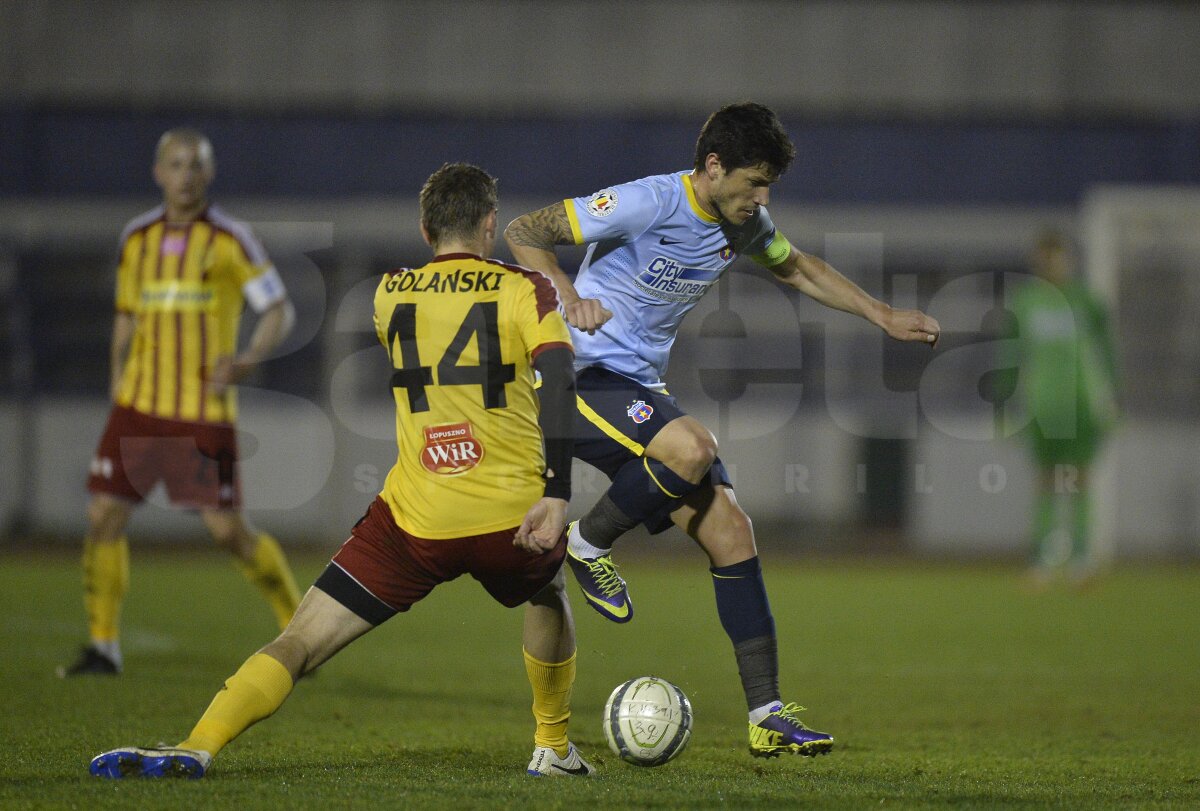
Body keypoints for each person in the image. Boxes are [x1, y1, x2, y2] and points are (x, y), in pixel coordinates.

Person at [89, 162, 593, 779]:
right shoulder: (524, 288)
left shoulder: (390, 294)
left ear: (424, 226)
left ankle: (198, 744)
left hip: (416, 520)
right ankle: (552, 746)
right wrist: (559, 494)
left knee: (299, 642)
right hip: (510, 516)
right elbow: (561, 378)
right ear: (490, 224)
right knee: (547, 592)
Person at [504, 102, 941, 758]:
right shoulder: (648, 201)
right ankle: (587, 543)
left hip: (638, 389)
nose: (761, 199)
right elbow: (524, 230)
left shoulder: (742, 223)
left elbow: (796, 266)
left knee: (732, 529)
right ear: (713, 167)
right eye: (753, 183)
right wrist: (566, 294)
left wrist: (882, 316)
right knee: (693, 447)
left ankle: (766, 712)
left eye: (768, 187)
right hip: (581, 374)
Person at [61, 128, 302, 677]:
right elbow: (127, 311)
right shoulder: (136, 238)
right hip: (139, 406)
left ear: (209, 174)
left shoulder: (230, 239)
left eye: (196, 165)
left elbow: (278, 310)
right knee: (103, 516)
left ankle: (298, 628)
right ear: (158, 172)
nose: (186, 175)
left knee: (229, 534)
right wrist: (116, 374)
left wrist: (246, 359)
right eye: (176, 164)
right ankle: (103, 646)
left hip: (201, 412)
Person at [1007, 229, 1117, 587]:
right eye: (1045, 257)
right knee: (1046, 481)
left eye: (1056, 256)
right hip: (1041, 403)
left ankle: (1081, 559)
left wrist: (1115, 398)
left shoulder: (1086, 300)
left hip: (1082, 402)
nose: (1051, 264)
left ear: (1068, 259)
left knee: (1081, 478)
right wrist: (1003, 405)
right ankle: (1041, 560)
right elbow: (1010, 355)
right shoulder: (1025, 303)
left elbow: (1108, 353)